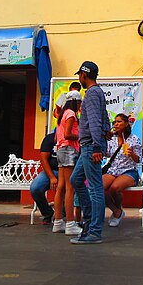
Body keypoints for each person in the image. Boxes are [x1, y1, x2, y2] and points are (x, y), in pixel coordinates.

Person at [70, 60, 110, 245]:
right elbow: (104, 117)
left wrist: (96, 147)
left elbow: (94, 121)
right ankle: (89, 218)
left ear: (84, 75)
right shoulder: (97, 93)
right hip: (89, 145)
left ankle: (94, 230)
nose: (79, 77)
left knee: (95, 188)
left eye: (80, 75)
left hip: (89, 147)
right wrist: (107, 131)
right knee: (76, 180)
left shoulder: (92, 94)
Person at [103, 113, 142, 227]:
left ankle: (117, 212)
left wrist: (131, 154)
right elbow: (107, 153)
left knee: (115, 188)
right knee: (97, 188)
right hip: (113, 170)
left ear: (126, 124)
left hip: (128, 170)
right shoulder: (112, 139)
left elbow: (138, 159)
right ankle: (117, 211)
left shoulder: (134, 139)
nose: (116, 124)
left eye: (119, 122)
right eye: (115, 122)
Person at [51, 97, 82, 235]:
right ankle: (70, 223)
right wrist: (81, 135)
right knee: (70, 188)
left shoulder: (61, 114)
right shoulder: (70, 114)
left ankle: (58, 222)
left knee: (61, 187)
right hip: (69, 149)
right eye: (80, 102)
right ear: (75, 101)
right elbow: (68, 134)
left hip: (60, 149)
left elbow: (57, 138)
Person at [29, 130, 59, 225]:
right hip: (51, 171)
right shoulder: (50, 139)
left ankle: (62, 215)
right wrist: (52, 177)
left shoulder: (74, 139)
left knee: (69, 189)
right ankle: (47, 213)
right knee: (35, 188)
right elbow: (43, 159)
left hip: (68, 172)